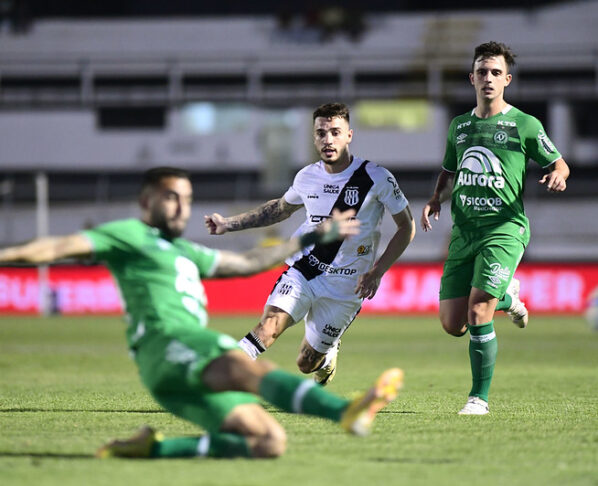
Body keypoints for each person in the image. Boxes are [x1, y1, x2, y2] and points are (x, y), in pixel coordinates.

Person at [0, 167, 404, 459]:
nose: (181, 207)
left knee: (267, 442)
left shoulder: (185, 251)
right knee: (248, 369)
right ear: (146, 201)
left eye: (187, 199)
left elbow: (247, 263)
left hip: (168, 374)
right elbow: (53, 249)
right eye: (171, 197)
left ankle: (153, 448)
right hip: (173, 343)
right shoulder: (129, 235)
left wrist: (315, 235)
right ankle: (346, 412)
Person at [205, 102, 416, 385]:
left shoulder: (376, 177)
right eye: (321, 133)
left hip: (347, 286)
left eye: (335, 132)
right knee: (268, 327)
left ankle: (327, 356)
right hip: (305, 270)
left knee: (306, 363)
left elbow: (406, 227)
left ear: (349, 135)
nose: (327, 140)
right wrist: (228, 224)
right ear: (314, 137)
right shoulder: (307, 177)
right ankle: (218, 380)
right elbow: (278, 209)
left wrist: (377, 272)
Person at [420, 42, 570, 415]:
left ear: (507, 79)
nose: (488, 78)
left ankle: (478, 399)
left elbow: (560, 163)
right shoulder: (460, 126)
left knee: (477, 313)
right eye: (482, 72)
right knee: (452, 324)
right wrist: (436, 199)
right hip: (464, 232)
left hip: (505, 230)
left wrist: (557, 174)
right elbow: (449, 170)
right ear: (472, 78)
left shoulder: (525, 125)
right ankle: (508, 297)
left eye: (495, 72)